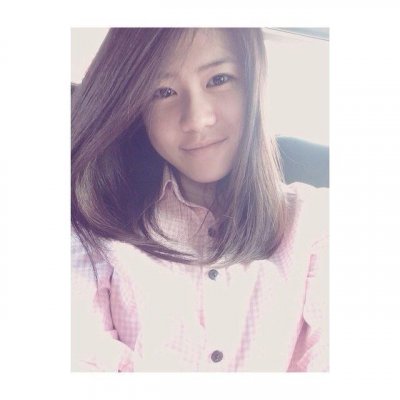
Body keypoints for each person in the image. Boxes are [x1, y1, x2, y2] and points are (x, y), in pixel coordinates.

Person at [71, 28, 328, 372]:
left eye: (219, 79)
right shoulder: (92, 225)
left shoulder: (315, 224)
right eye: (163, 92)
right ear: (136, 109)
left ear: (254, 83)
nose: (196, 120)